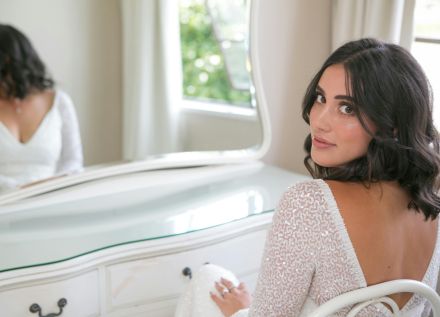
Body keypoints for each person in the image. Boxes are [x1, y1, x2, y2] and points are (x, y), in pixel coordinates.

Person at [174, 38, 440, 316]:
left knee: (207, 279)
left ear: (392, 126)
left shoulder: (310, 204)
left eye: (347, 108)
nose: (320, 120)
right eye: (321, 98)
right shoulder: (432, 207)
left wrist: (242, 309)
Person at [0, 24, 83, 192]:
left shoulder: (59, 102)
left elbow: (73, 162)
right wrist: (20, 189)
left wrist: (47, 187)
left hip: (50, 203)